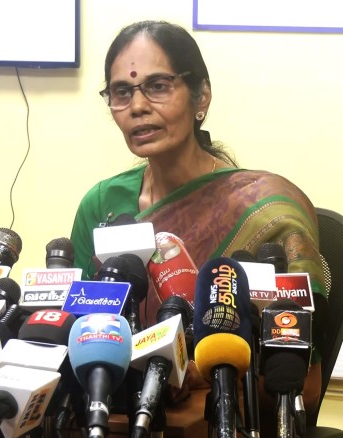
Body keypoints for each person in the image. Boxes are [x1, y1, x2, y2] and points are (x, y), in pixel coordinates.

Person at [69, 20, 328, 433]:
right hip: (116, 417)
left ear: (201, 96)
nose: (137, 106)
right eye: (121, 92)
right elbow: (81, 335)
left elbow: (305, 387)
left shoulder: (266, 211)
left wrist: (201, 377)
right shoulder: (101, 205)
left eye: (158, 86)